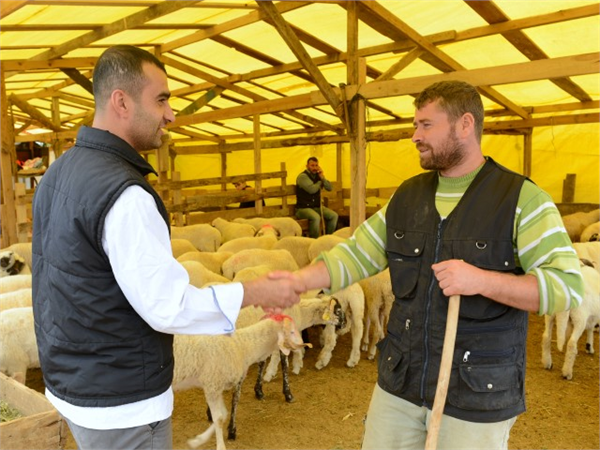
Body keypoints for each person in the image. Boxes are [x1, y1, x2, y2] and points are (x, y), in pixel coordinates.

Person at [274, 80, 584, 449]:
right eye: (415, 125)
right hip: (402, 381)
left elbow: (566, 288)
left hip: (475, 392)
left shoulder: (521, 200)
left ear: (465, 125)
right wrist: (296, 281)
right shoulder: (408, 196)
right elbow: (355, 254)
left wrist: (482, 280)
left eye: (426, 125)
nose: (414, 135)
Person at [31, 45, 303, 450]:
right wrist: (256, 292)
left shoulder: (58, 173)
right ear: (121, 102)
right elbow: (167, 306)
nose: (172, 114)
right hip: (122, 401)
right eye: (161, 100)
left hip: (76, 385)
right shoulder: (124, 194)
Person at [295, 156, 339, 238]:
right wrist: (320, 181)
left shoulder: (318, 176)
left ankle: (328, 238)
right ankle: (313, 241)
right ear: (307, 166)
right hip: (303, 208)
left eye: (316, 165)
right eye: (312, 165)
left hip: (316, 207)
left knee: (334, 215)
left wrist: (323, 177)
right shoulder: (303, 177)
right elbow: (312, 189)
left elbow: (329, 188)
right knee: (316, 217)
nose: (314, 168)